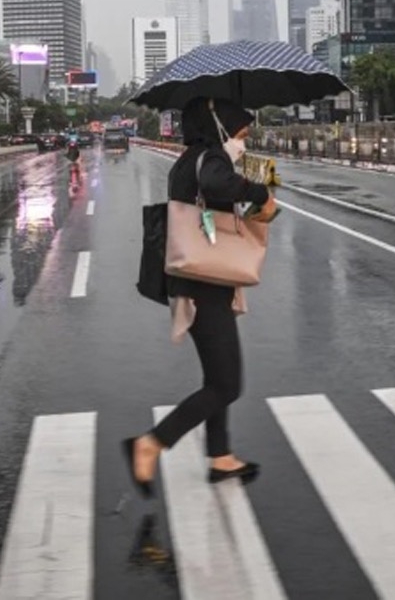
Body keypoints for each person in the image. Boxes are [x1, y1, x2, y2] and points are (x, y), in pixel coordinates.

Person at [123, 98, 276, 496]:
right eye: (241, 133)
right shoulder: (210, 158)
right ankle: (151, 443)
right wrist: (260, 192)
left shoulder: (191, 157)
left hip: (199, 278)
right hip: (204, 282)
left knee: (217, 375)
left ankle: (221, 455)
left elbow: (213, 198)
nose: (243, 140)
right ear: (221, 126)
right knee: (227, 384)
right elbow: (217, 185)